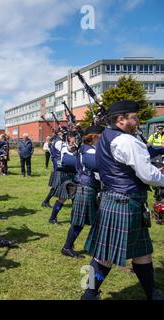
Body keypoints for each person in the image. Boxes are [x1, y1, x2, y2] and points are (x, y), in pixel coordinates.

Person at [82, 100, 163, 300]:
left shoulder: (106, 136)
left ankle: (152, 293)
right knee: (104, 258)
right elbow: (147, 175)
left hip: (116, 200)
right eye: (134, 118)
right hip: (125, 203)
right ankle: (89, 294)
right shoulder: (127, 141)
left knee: (142, 253)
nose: (137, 121)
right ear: (120, 120)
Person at [61, 125, 104, 259]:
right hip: (86, 187)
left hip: (89, 187)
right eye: (102, 137)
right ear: (94, 137)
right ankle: (67, 247)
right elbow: (99, 166)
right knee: (79, 222)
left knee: (99, 220)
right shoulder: (88, 151)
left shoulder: (89, 148)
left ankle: (97, 247)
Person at [47, 131, 78, 224]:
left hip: (75, 175)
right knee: (62, 198)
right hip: (66, 175)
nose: (75, 139)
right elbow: (69, 152)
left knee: (75, 199)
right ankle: (52, 218)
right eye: (74, 137)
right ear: (69, 138)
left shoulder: (78, 147)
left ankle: (75, 218)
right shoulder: (63, 146)